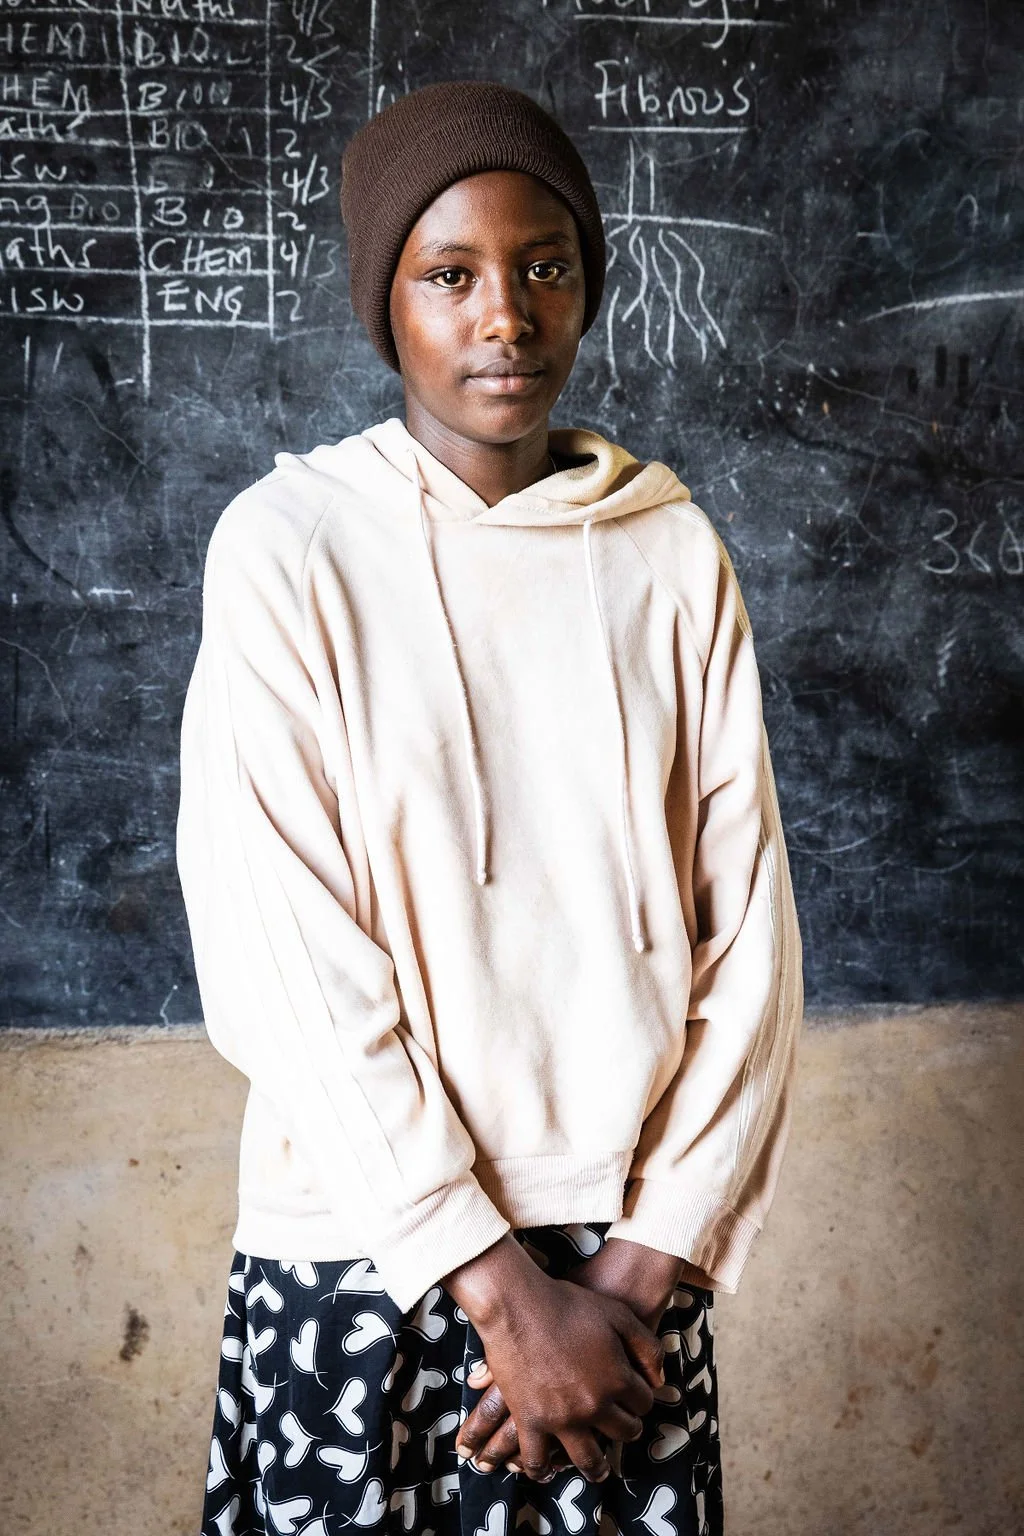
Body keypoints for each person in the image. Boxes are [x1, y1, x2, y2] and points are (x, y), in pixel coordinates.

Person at [176, 79, 803, 1536]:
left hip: (625, 1272)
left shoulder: (669, 555)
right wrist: (498, 1291)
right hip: (366, 1248)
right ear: (383, 302)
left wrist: (639, 1276)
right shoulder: (288, 552)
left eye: (545, 268)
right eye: (449, 276)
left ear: (588, 287)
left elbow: (752, 945)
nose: (504, 316)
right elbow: (286, 959)